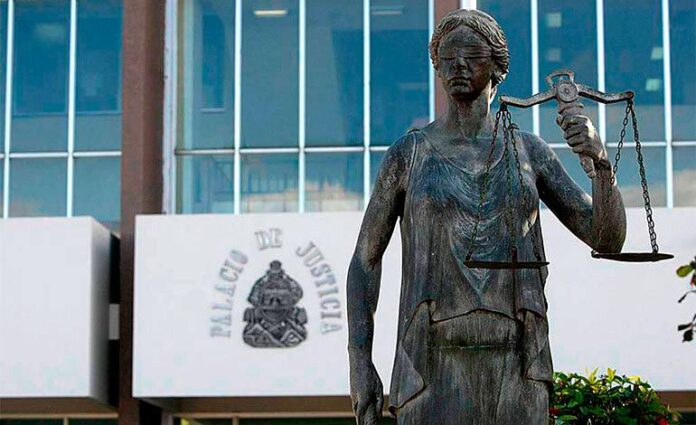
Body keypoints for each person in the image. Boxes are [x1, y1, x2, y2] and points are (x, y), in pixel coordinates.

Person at [347, 9, 626, 425]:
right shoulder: (409, 154)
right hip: (430, 363)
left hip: (516, 362)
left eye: (472, 56)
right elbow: (365, 259)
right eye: (448, 58)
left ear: (497, 68)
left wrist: (600, 164)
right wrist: (359, 360)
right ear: (437, 67)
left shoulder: (528, 152)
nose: (458, 66)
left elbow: (607, 239)